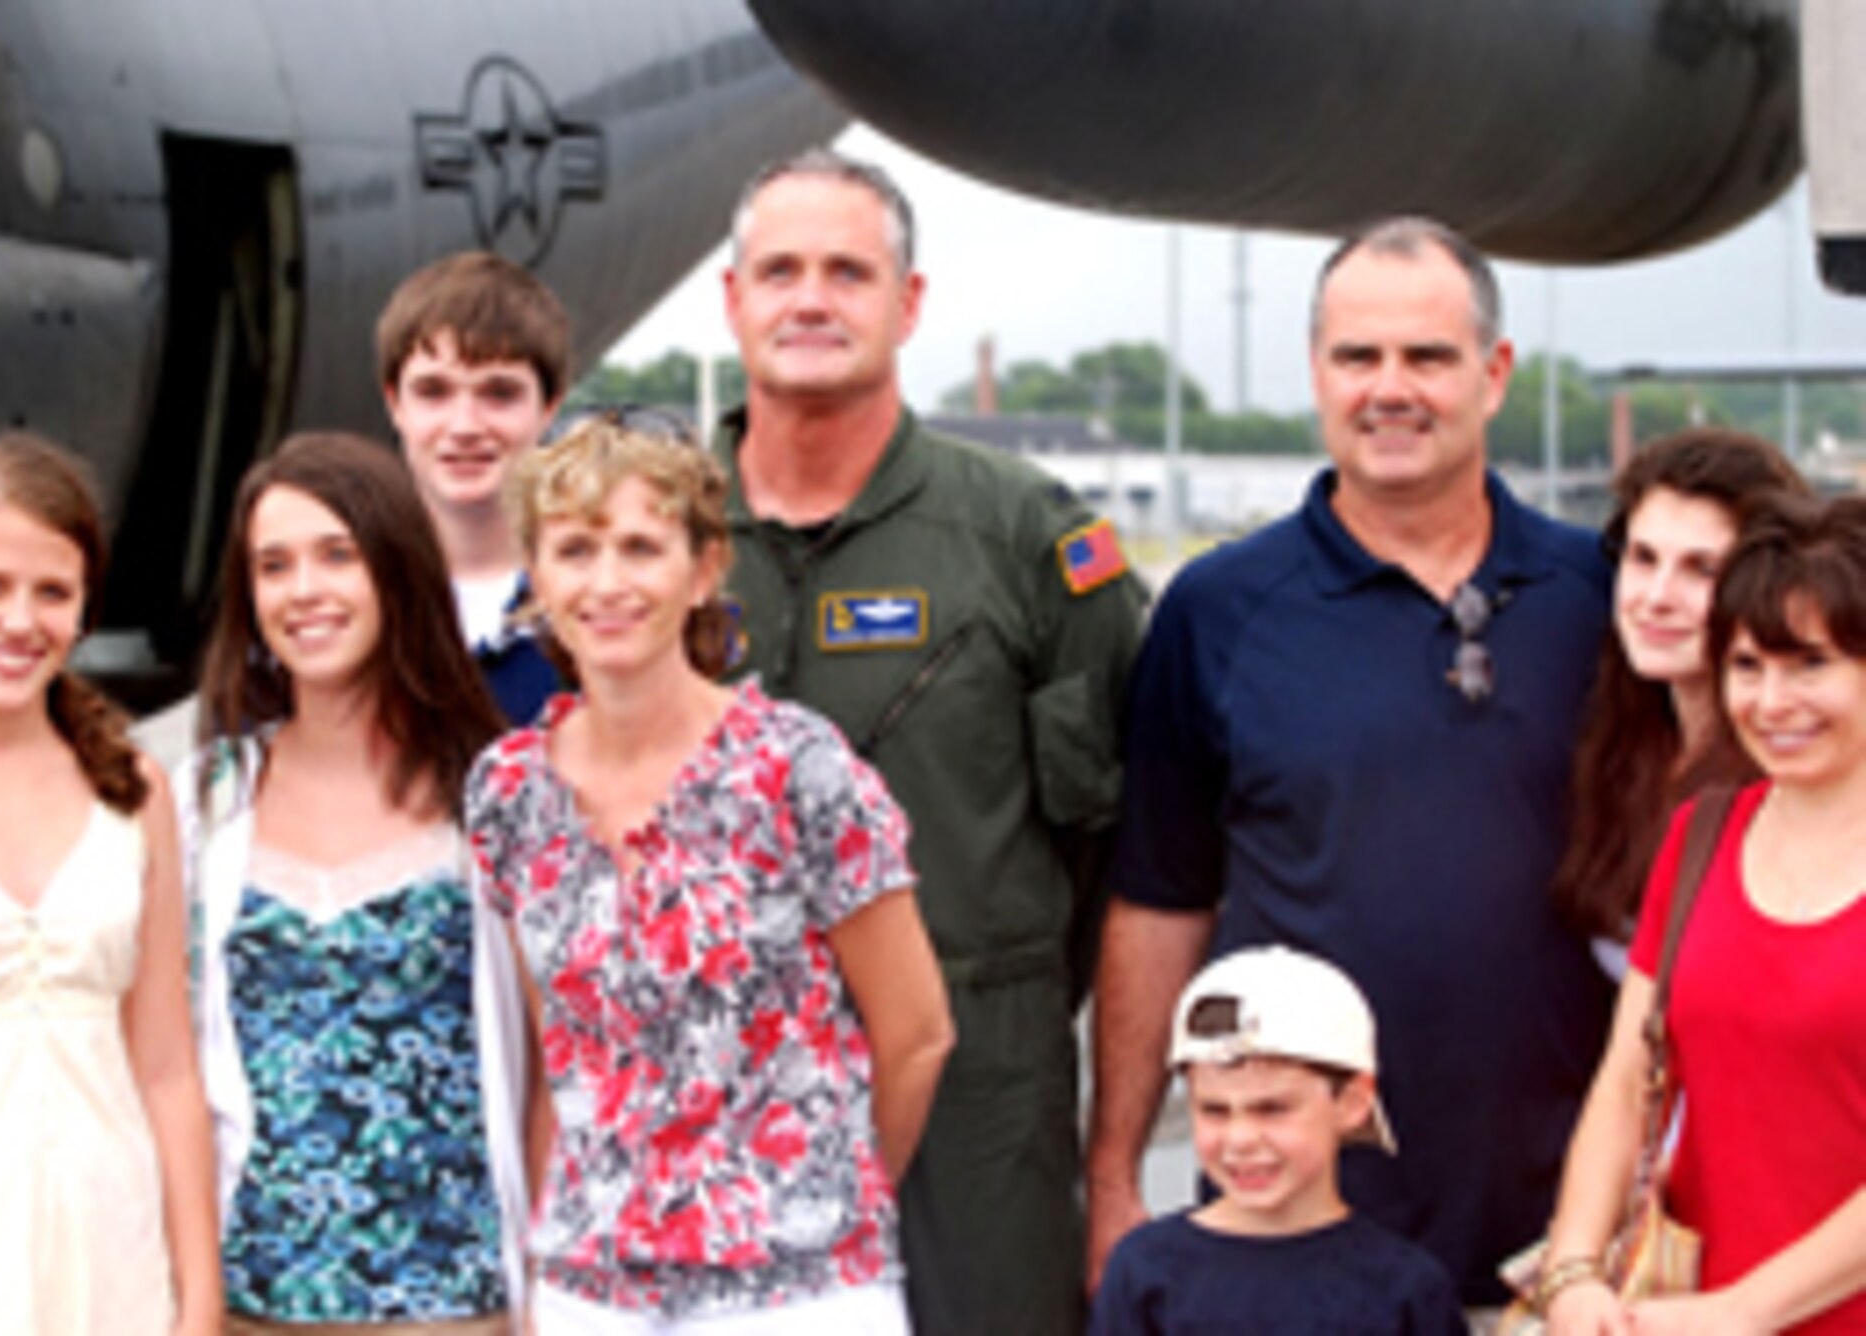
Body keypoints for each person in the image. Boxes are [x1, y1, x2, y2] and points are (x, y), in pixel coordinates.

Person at [1087, 216, 1613, 1311]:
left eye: (1425, 356)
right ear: (1316, 373)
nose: (1390, 388)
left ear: (1493, 371)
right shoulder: (1217, 611)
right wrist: (1112, 1177)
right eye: (1355, 357)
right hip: (1297, 1249)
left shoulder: (1604, 601)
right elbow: (1157, 903)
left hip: (1570, 1246)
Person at [714, 147, 1146, 1336]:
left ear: (907, 304)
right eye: (781, 269)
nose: (810, 298)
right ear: (732, 299)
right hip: (714, 1113)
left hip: (980, 1115)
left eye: (847, 271)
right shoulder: (653, 537)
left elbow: (1125, 855)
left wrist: (1108, 1162)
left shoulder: (1025, 542)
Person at [466, 413, 955, 1331]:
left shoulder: (797, 769)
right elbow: (561, 1061)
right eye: (574, 549)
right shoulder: (507, 795)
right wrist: (544, 1264)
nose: (607, 582)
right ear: (538, 575)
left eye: (642, 547)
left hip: (800, 1292)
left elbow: (918, 1033)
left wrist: (817, 1206)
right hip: (593, 1291)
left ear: (704, 568)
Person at [0, 431, 219, 1332]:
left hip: (114, 1270)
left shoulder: (134, 794)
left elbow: (168, 1069)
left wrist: (201, 1302)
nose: (19, 621)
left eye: (52, 592)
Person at [180, 431, 528, 1332]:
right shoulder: (204, 800)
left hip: (460, 1304)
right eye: (273, 565)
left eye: (338, 555)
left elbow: (554, 1063)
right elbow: (166, 1064)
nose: (305, 591)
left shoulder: (495, 792)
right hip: (251, 1304)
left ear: (399, 569)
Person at [1542, 492, 1866, 1336]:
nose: (1771, 701)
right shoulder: (1702, 835)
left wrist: (1745, 1311)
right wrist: (1573, 1268)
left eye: (1811, 665)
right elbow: (1625, 1077)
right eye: (1747, 666)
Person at [1091, 946, 1463, 1335]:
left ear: (1353, 1103)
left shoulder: (1408, 1288)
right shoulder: (1143, 1270)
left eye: (1271, 1109)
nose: (1240, 1139)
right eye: (1214, 1110)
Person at [1552, 428, 1808, 976]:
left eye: (1702, 569)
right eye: (1644, 558)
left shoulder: (1796, 779)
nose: (1657, 597)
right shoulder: (1626, 749)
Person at [378, 249, 573, 724]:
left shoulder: (597, 604)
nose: (464, 425)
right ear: (394, 403)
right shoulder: (354, 603)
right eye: (433, 392)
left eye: (499, 393)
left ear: (549, 406)